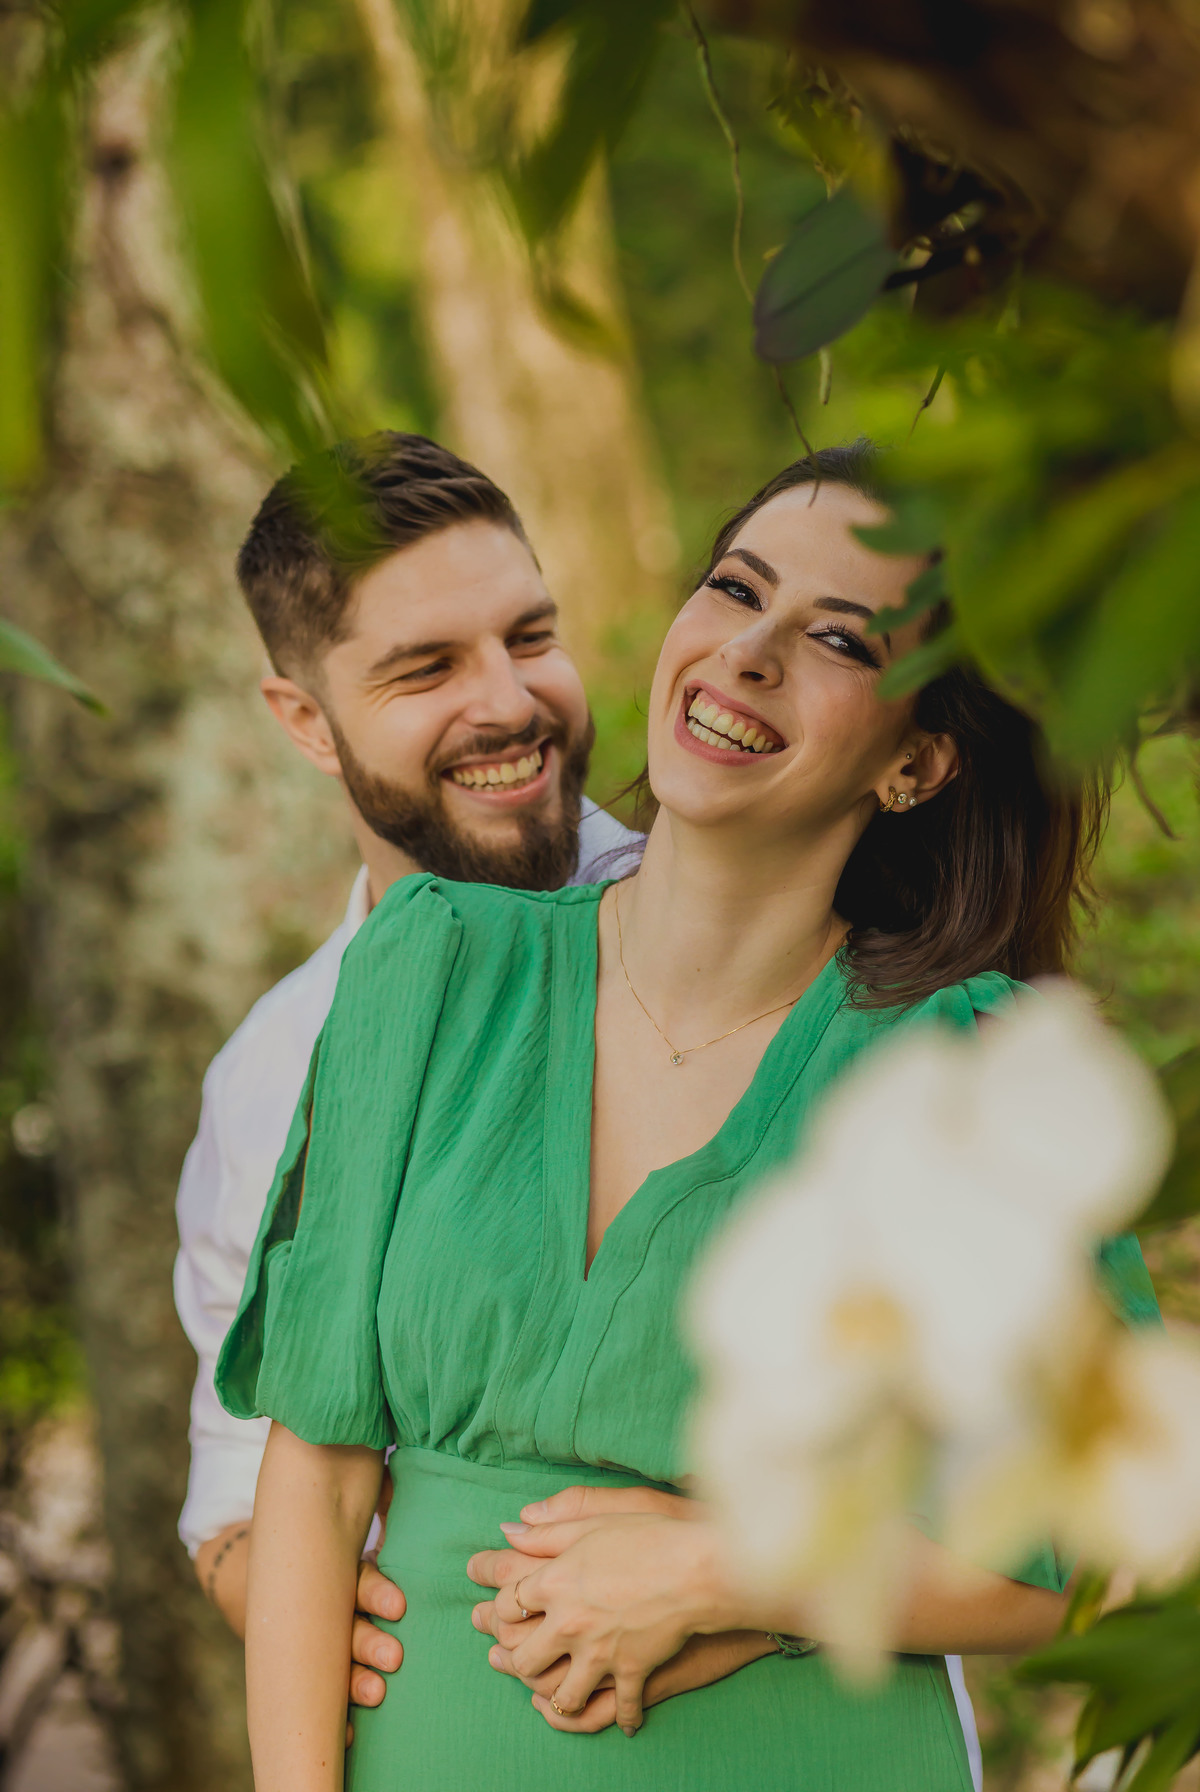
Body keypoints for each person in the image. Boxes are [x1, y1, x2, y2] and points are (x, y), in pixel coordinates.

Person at [219, 444, 1154, 1791]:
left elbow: (1098, 1557)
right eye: (737, 588)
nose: (748, 654)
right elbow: (314, 1480)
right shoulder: (432, 966)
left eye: (840, 638)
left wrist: (737, 1570)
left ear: (918, 760)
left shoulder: (969, 1071)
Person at [174, 433, 641, 1663]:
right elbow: (229, 1495)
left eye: (530, 638)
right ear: (307, 722)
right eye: (428, 668)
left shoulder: (747, 936)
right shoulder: (272, 1075)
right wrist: (316, 1610)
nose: (511, 702)